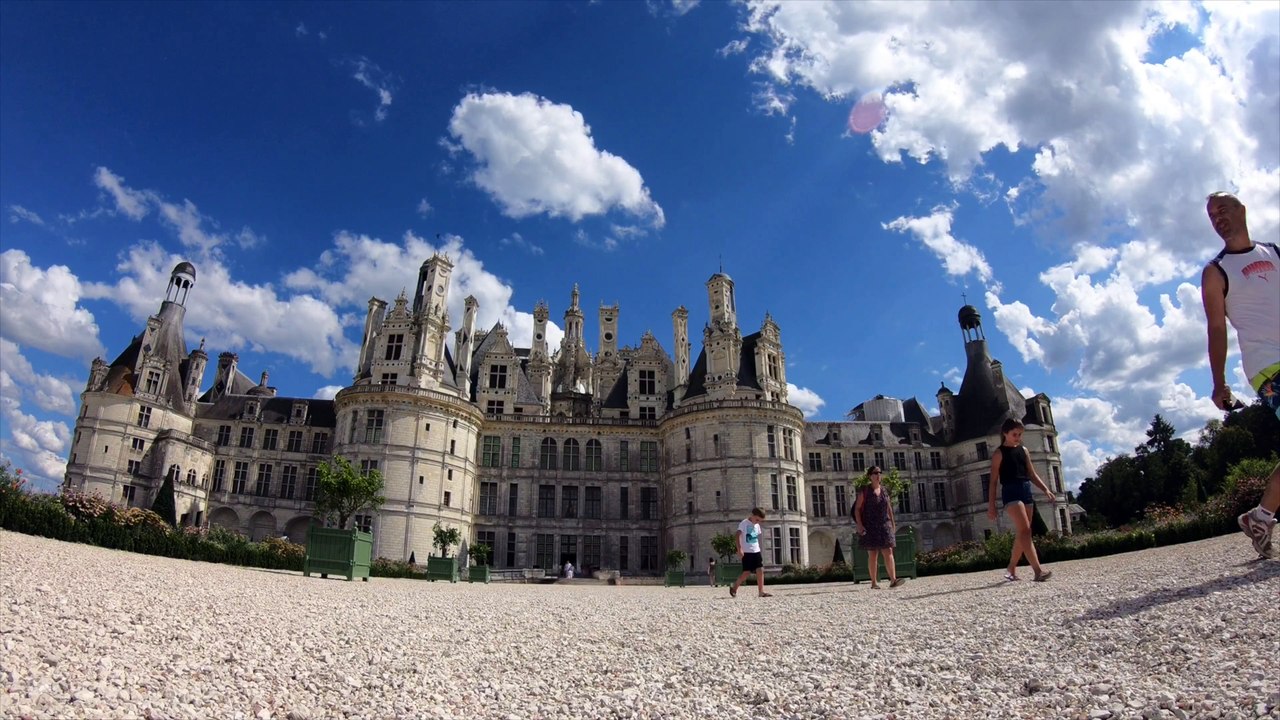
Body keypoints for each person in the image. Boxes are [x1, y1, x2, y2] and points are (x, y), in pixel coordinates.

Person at [1200, 191, 1280, 559]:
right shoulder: (1216, 272)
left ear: (1242, 210)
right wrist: (1219, 381)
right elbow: (1216, 328)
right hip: (1267, 364)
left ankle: (1261, 516)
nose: (1219, 218)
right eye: (1212, 214)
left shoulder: (1273, 252)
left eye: (1224, 209)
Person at [987, 418, 1057, 582]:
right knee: (1025, 530)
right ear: (1005, 433)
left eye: (1019, 434)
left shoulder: (1023, 450)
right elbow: (993, 481)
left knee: (1023, 533)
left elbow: (1031, 474)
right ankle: (1038, 571)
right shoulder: (999, 453)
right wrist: (991, 505)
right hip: (1010, 492)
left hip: (1025, 490)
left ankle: (1011, 567)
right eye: (1014, 434)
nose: (1018, 437)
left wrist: (1046, 489)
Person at [854, 467, 905, 589]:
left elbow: (889, 508)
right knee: (873, 554)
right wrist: (860, 525)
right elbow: (857, 509)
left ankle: (893, 580)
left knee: (888, 552)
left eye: (879, 473)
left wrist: (892, 523)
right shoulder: (865, 491)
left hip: (884, 525)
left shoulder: (884, 490)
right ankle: (873, 582)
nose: (878, 475)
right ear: (870, 476)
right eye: (875, 473)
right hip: (870, 525)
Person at [729, 507, 772, 598]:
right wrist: (739, 549)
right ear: (752, 515)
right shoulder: (744, 523)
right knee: (746, 572)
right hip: (747, 552)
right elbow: (737, 535)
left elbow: (756, 537)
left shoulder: (757, 525)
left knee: (760, 570)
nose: (758, 522)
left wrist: (760, 548)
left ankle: (761, 592)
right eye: (757, 519)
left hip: (756, 551)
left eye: (760, 521)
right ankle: (734, 587)